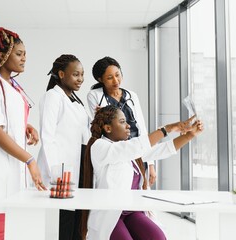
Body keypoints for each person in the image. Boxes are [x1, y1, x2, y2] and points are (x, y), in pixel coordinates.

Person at [81, 105, 203, 240]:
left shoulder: (131, 151)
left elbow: (162, 150)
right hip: (110, 214)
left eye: (127, 122)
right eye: (122, 122)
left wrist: (191, 135)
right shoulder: (100, 146)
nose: (128, 126)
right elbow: (133, 147)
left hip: (131, 211)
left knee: (158, 237)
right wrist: (167, 128)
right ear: (108, 128)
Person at [0, 27, 47, 240]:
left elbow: (6, 118)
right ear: (3, 55)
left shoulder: (11, 85)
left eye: (25, 54)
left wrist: (25, 126)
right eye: (19, 54)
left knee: (9, 225)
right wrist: (30, 159)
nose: (24, 59)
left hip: (10, 161)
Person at [37, 54, 90, 240]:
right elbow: (47, 136)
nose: (81, 79)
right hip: (61, 173)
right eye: (76, 74)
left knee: (76, 223)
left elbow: (84, 133)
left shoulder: (74, 100)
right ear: (61, 74)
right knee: (63, 225)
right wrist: (56, 175)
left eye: (82, 74)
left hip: (77, 169)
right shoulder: (53, 97)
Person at [87, 56, 158, 187]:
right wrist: (101, 113)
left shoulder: (132, 95)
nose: (116, 80)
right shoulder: (95, 95)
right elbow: (99, 124)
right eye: (109, 78)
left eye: (117, 75)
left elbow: (141, 127)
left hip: (138, 149)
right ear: (100, 79)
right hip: (119, 152)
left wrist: (151, 163)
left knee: (141, 193)